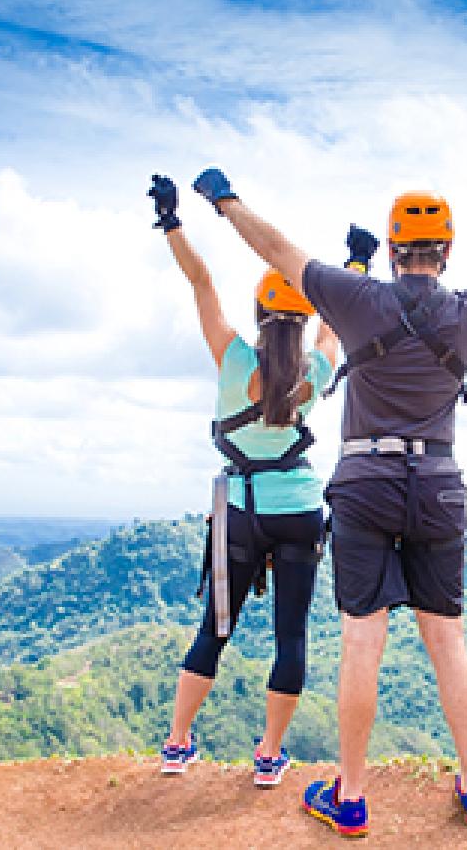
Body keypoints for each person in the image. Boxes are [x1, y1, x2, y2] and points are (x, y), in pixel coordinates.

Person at [191, 168, 467, 836]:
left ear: (388, 247)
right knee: (448, 640)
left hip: (365, 484)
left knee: (362, 644)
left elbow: (277, 251)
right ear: (446, 250)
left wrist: (226, 201)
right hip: (438, 482)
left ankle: (350, 797)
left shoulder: (357, 299)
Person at [147, 175, 339, 788]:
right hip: (301, 509)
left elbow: (201, 283)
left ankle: (178, 744)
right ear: (305, 322)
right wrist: (356, 262)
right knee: (292, 635)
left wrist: (173, 221)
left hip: (238, 511)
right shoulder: (316, 370)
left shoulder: (233, 359)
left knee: (215, 628)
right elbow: (335, 323)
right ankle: (268, 756)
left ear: (258, 315)